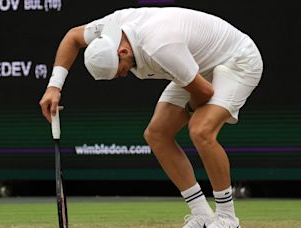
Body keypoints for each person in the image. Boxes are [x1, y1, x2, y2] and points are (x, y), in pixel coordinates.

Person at [39, 7, 262, 228]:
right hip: (198, 64)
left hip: (237, 60)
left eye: (121, 70)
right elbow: (72, 37)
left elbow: (204, 93)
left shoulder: (160, 47)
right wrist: (54, 87)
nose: (124, 75)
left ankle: (227, 218)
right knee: (157, 134)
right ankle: (202, 214)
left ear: (123, 52)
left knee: (201, 130)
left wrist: (188, 111)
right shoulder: (108, 28)